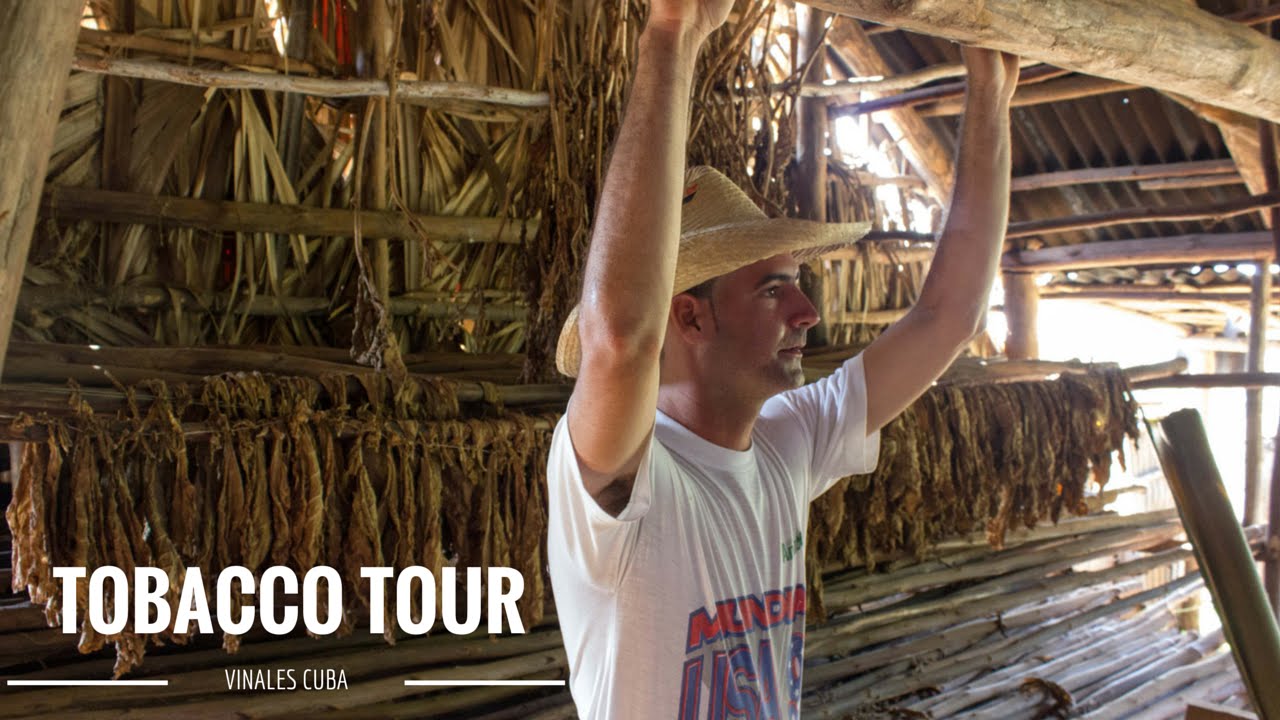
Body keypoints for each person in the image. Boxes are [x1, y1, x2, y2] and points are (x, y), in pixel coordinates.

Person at [544, 0, 1020, 716]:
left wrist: (990, 96)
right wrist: (671, 34)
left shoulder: (785, 446)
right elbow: (619, 343)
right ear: (689, 315)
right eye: (774, 292)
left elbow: (948, 318)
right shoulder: (623, 488)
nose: (809, 315)